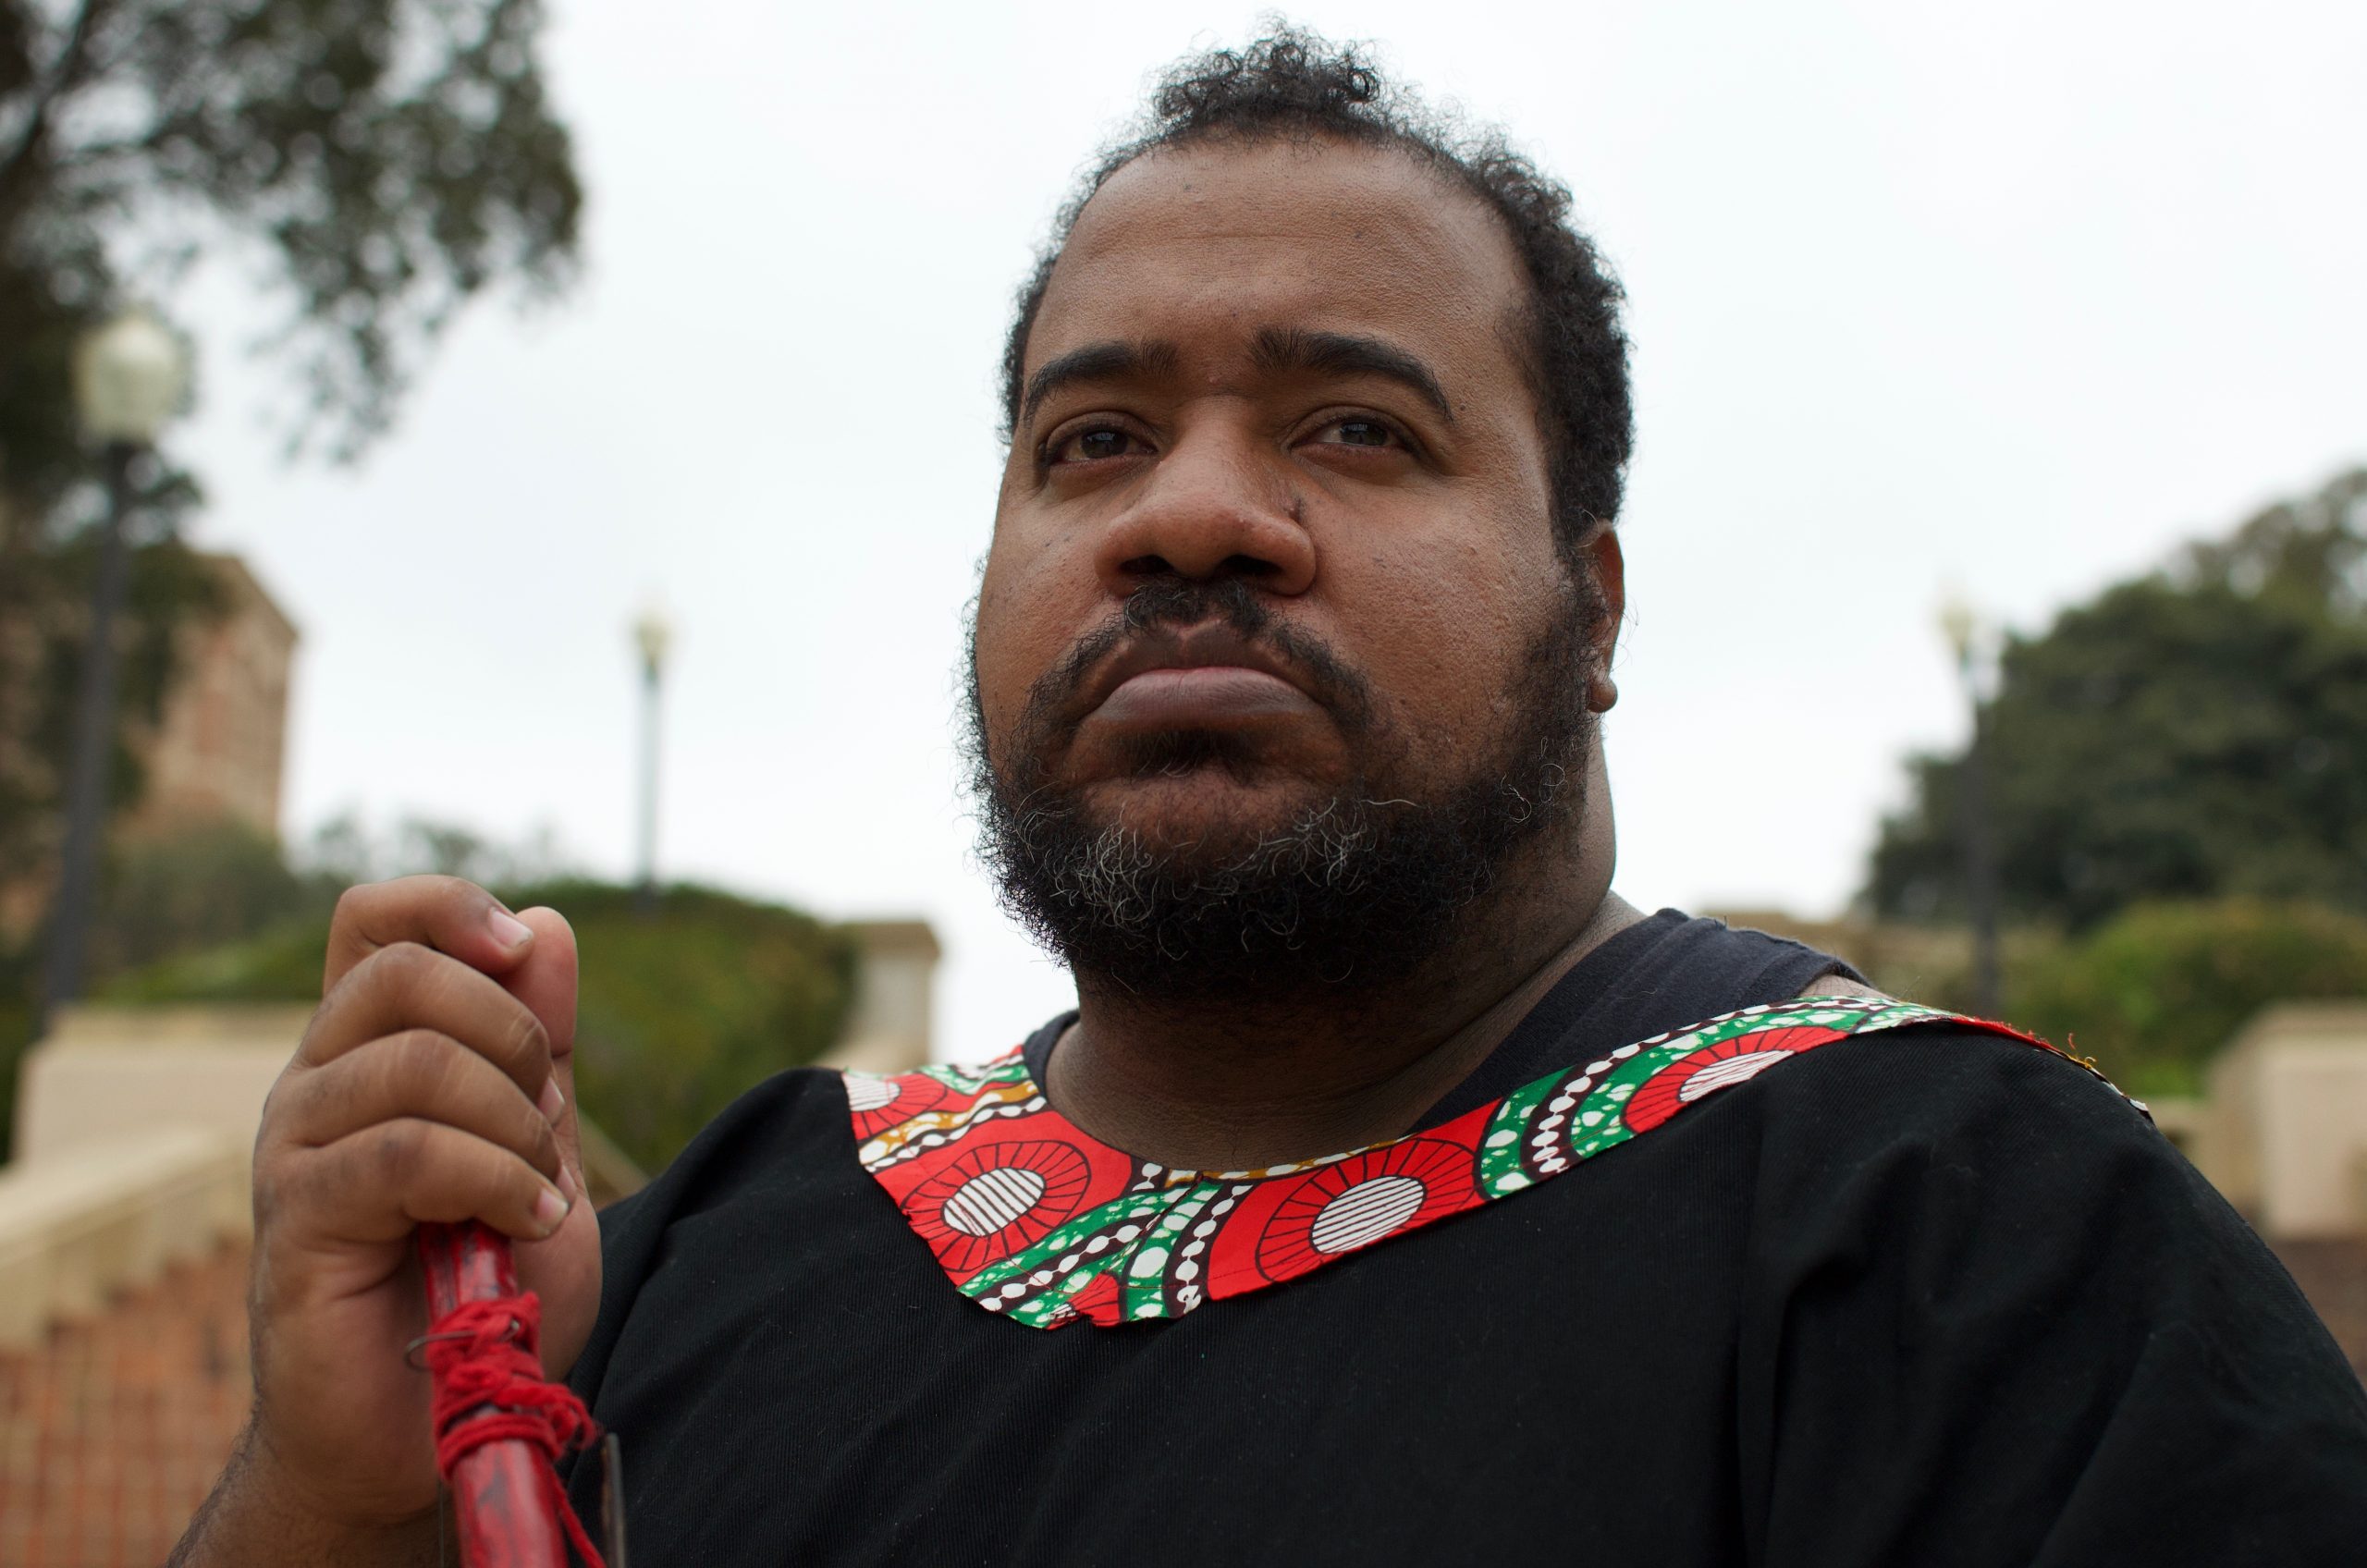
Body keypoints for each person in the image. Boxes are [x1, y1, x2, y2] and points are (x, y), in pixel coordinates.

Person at [173, 29, 2367, 1566]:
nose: (1188, 517)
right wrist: (342, 1492)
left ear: (1588, 607)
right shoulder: (699, 1256)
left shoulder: (1965, 1234)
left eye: (1352, 429)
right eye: (1091, 441)